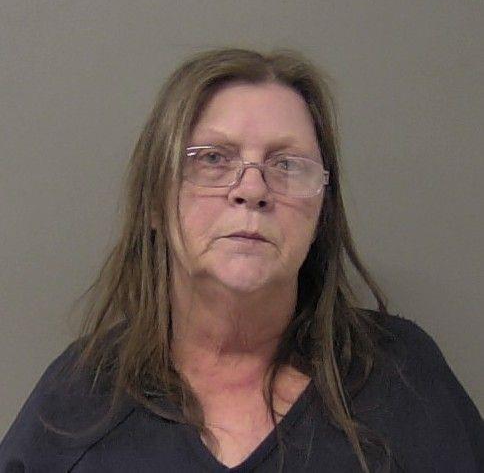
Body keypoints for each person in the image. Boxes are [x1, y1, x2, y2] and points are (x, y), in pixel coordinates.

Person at [0, 48, 482, 472]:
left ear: (322, 210)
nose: (252, 189)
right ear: (154, 200)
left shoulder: (402, 377)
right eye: (213, 159)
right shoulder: (77, 397)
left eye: (287, 164)